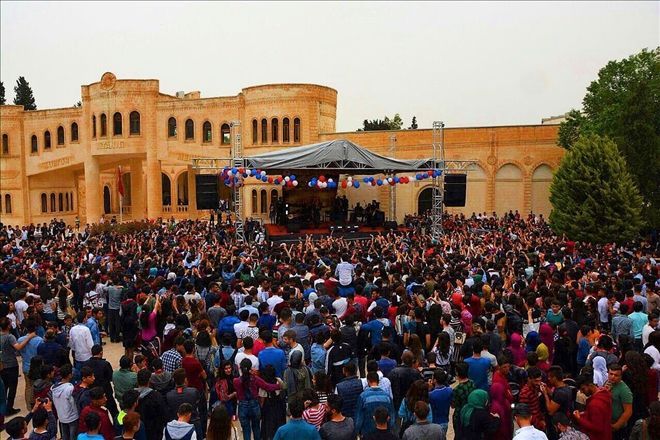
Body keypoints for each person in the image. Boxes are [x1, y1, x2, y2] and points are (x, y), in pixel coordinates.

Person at [234, 358, 281, 440]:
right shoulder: (255, 379)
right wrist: (279, 386)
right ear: (251, 368)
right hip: (254, 406)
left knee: (246, 430)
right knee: (256, 428)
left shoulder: (236, 381)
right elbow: (268, 387)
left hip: (242, 406)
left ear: (239, 368)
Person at [1, 316, 37, 415]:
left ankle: (4, 408)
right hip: (11, 365)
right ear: (8, 326)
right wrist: (29, 337)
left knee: (5, 387)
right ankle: (9, 408)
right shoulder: (10, 337)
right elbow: (18, 347)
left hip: (2, 364)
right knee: (13, 388)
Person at [354, 372, 395, 437]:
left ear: (368, 381)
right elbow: (392, 416)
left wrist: (357, 431)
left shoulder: (363, 397)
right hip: (384, 433)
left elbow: (359, 417)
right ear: (378, 381)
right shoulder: (387, 397)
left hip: (367, 432)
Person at [573, 373, 613, 440]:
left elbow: (597, 427)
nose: (582, 392)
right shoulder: (603, 393)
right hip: (607, 433)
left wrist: (579, 419)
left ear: (590, 385)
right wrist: (585, 413)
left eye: (583, 389)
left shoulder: (594, 404)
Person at [135, 368, 169, 440]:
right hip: (154, 432)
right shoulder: (156, 396)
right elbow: (164, 415)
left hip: (138, 431)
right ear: (149, 381)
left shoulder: (132, 395)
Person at [51, 364, 79, 440]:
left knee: (65, 436)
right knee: (73, 437)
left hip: (61, 416)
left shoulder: (54, 389)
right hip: (72, 417)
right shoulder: (69, 388)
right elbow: (73, 403)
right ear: (70, 375)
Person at [606, 363, 633, 440]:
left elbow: (628, 411)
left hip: (618, 428)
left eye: (616, 375)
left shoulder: (624, 390)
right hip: (607, 424)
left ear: (621, 377)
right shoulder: (607, 383)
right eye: (611, 374)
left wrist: (617, 425)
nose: (613, 377)